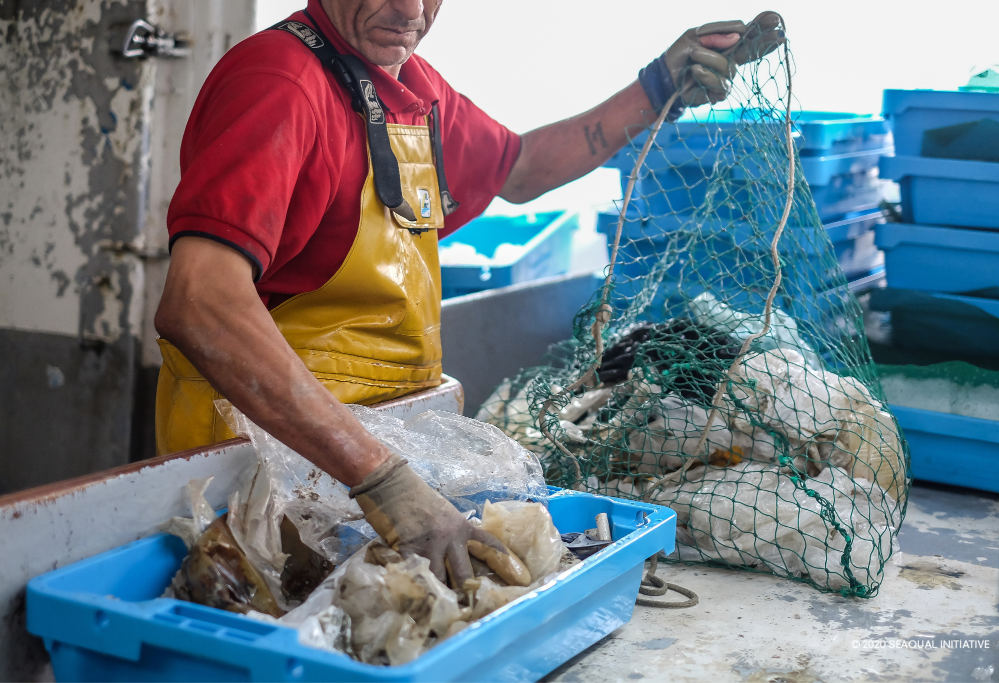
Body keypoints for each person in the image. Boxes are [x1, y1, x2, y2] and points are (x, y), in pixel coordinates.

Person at [154, 0, 783, 588]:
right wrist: (381, 478)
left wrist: (656, 89)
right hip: (262, 468)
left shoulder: (408, 86)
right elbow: (202, 305)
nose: (410, 12)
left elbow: (521, 167)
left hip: (369, 456)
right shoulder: (279, 85)